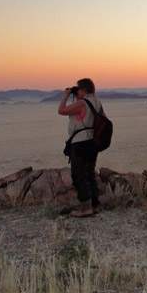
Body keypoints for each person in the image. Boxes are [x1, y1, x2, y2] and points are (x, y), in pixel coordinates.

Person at [58, 78, 104, 218]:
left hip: (81, 142)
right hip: (92, 142)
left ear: (83, 89)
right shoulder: (96, 101)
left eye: (78, 88)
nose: (76, 91)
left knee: (78, 174)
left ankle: (85, 206)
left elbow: (61, 110)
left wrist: (65, 96)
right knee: (89, 173)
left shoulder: (82, 103)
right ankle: (94, 204)